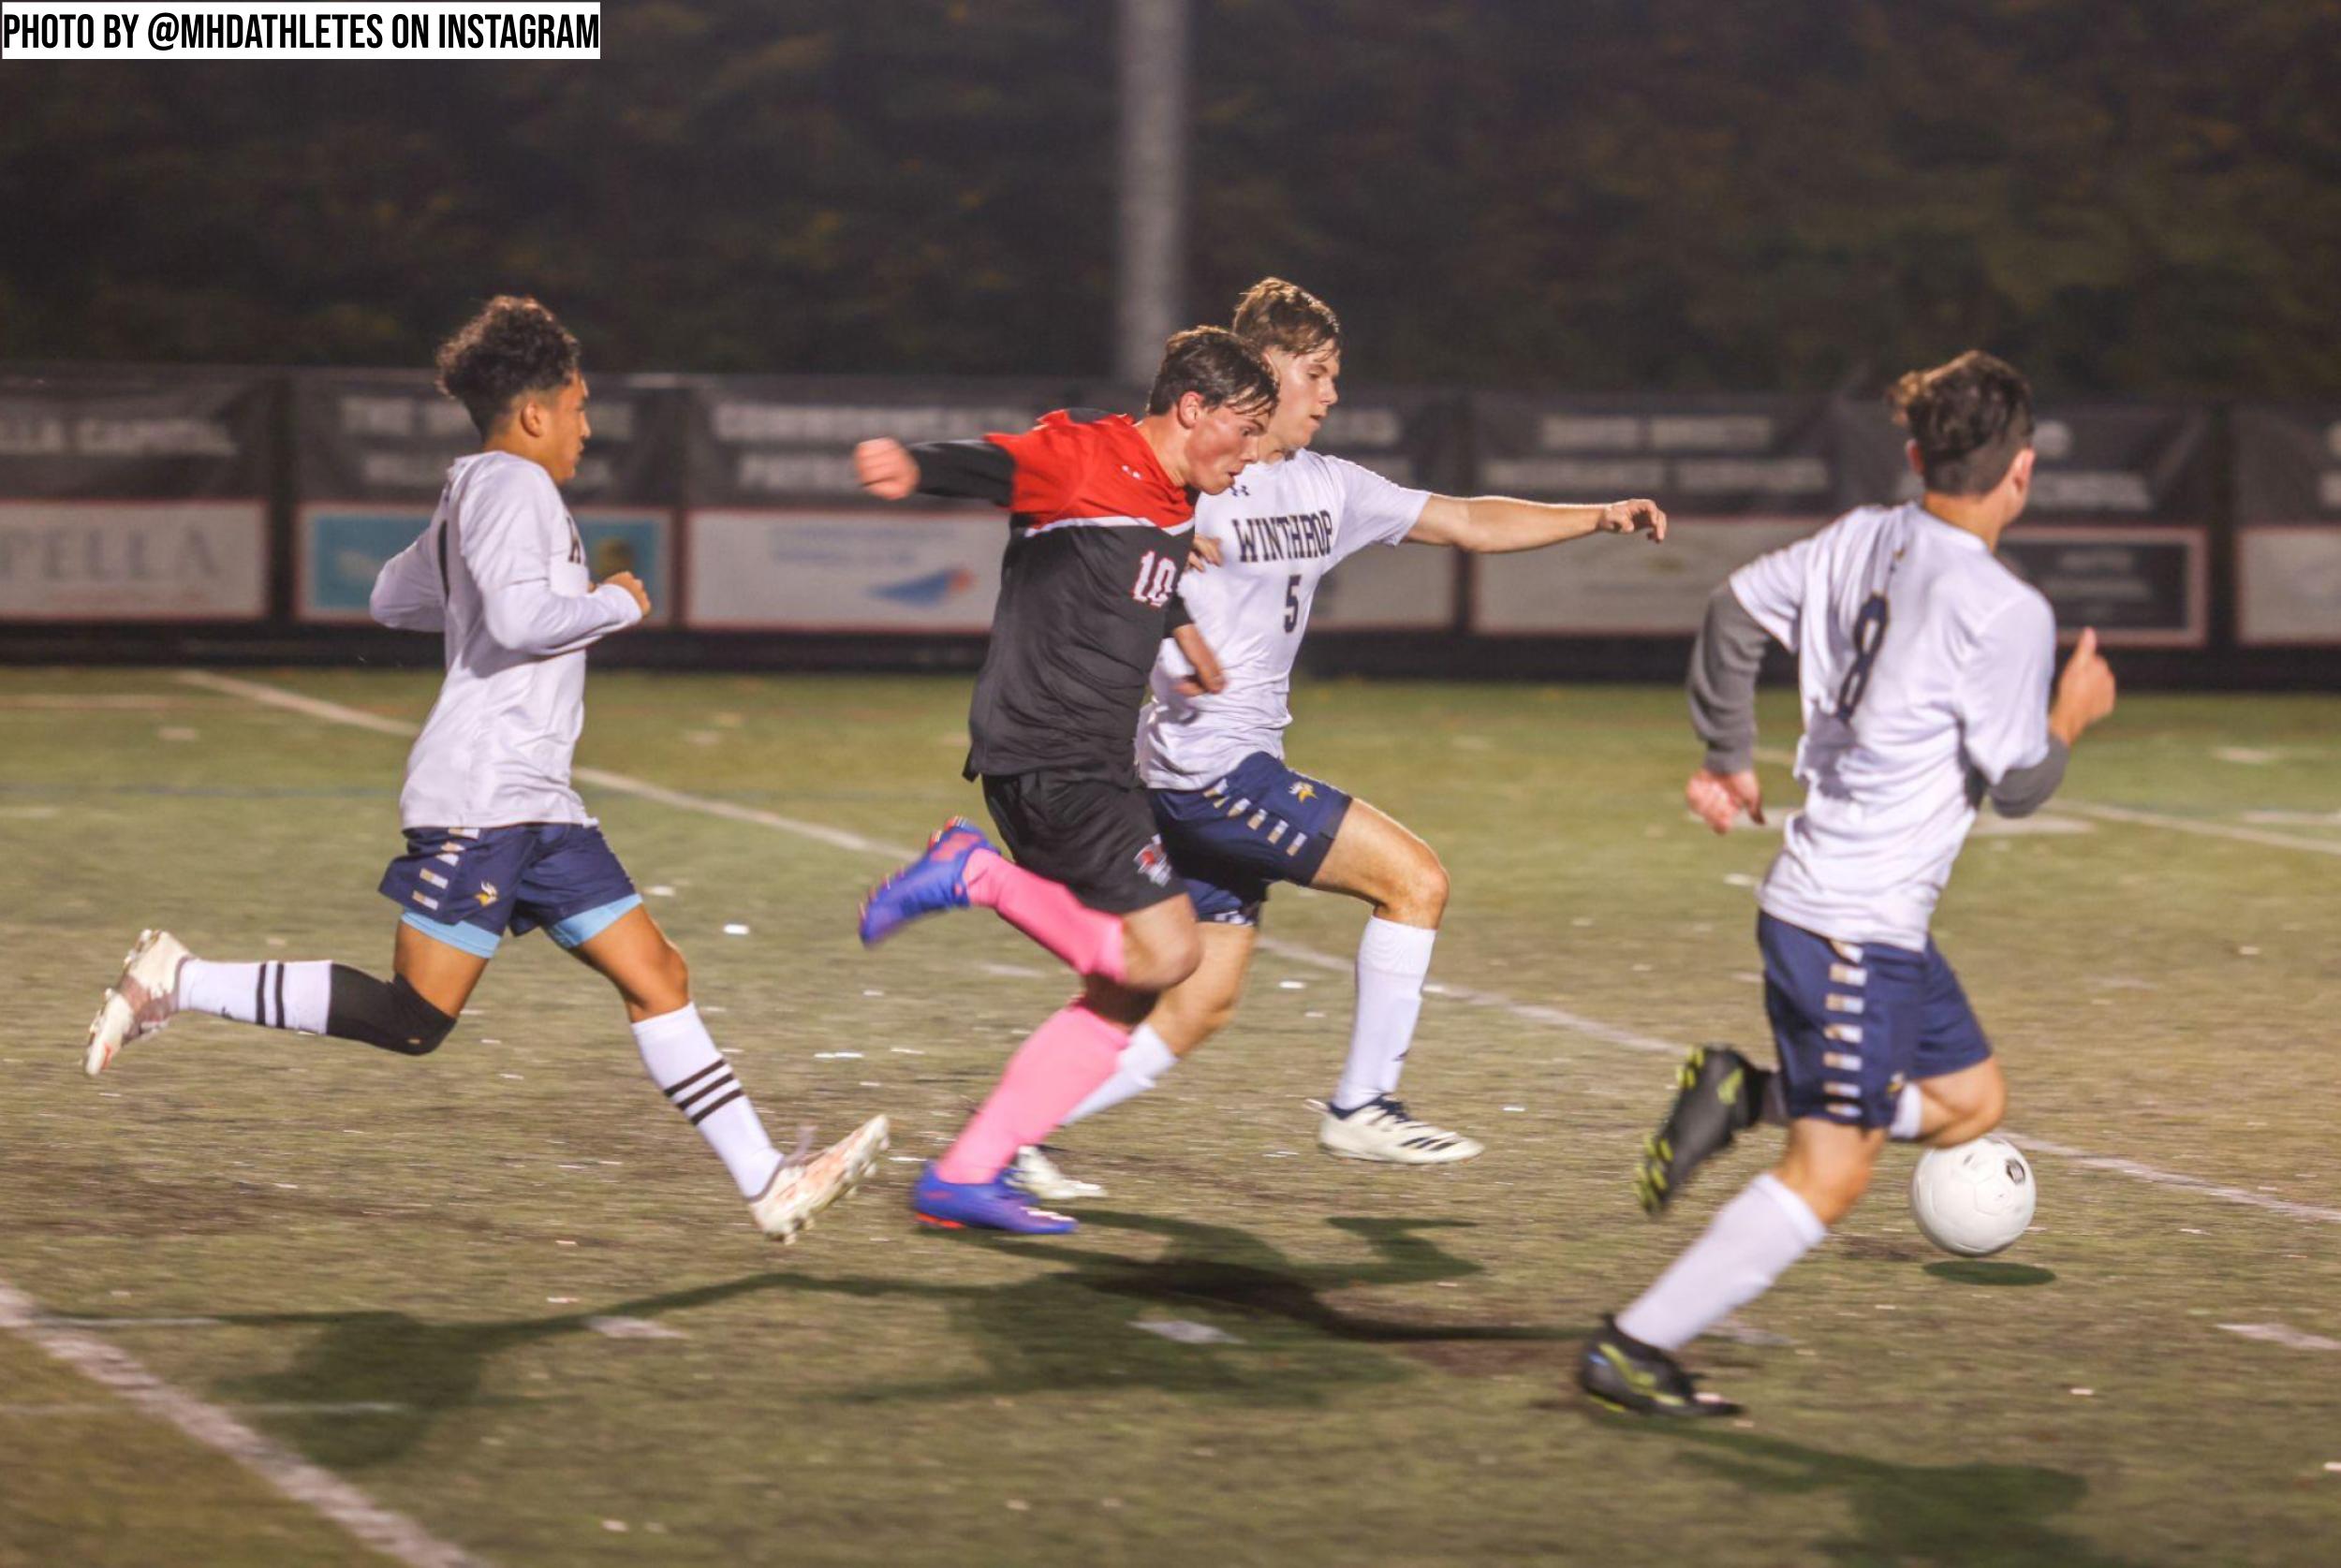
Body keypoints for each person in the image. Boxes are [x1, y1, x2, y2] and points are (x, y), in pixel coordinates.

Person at [81, 296, 887, 1244]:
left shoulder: (474, 486)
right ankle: (181, 980)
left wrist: (480, 603)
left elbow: (392, 596)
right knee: (415, 1019)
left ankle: (767, 1182)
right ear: (536, 411)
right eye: (580, 406)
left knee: (657, 973)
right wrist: (613, 605)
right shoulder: (514, 488)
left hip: (536, 801)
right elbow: (514, 623)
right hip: (483, 798)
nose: (589, 426)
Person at [1006, 278, 1666, 1203]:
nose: (1329, 395)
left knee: (1199, 1002)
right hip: (1205, 773)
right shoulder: (1186, 476)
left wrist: (1595, 515)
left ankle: (1010, 1136)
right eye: (1315, 374)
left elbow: (1468, 519)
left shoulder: (1328, 487)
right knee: (1415, 880)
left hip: (1207, 775)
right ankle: (1362, 1105)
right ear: (1264, 370)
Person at [1580, 350, 2117, 1415]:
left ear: (1917, 457)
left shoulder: (1860, 535)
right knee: (1831, 1175)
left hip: (1860, 919)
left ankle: (1747, 1094)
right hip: (1847, 928)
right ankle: (1631, 1347)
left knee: (1974, 1099)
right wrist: (2071, 714)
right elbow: (2018, 786)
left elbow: (1732, 615)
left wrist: (1727, 751)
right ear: (2024, 470)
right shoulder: (2005, 610)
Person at [850, 327, 1277, 1234]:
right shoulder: (1089, 454)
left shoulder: (1172, 494)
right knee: (1169, 956)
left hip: (1084, 755)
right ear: (1191, 408)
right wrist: (913, 466)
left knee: (1123, 990)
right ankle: (974, 872)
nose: (1252, 453)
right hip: (1051, 749)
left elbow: (1132, 568)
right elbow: (1002, 463)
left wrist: (1178, 627)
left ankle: (964, 1174)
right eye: (1244, 430)